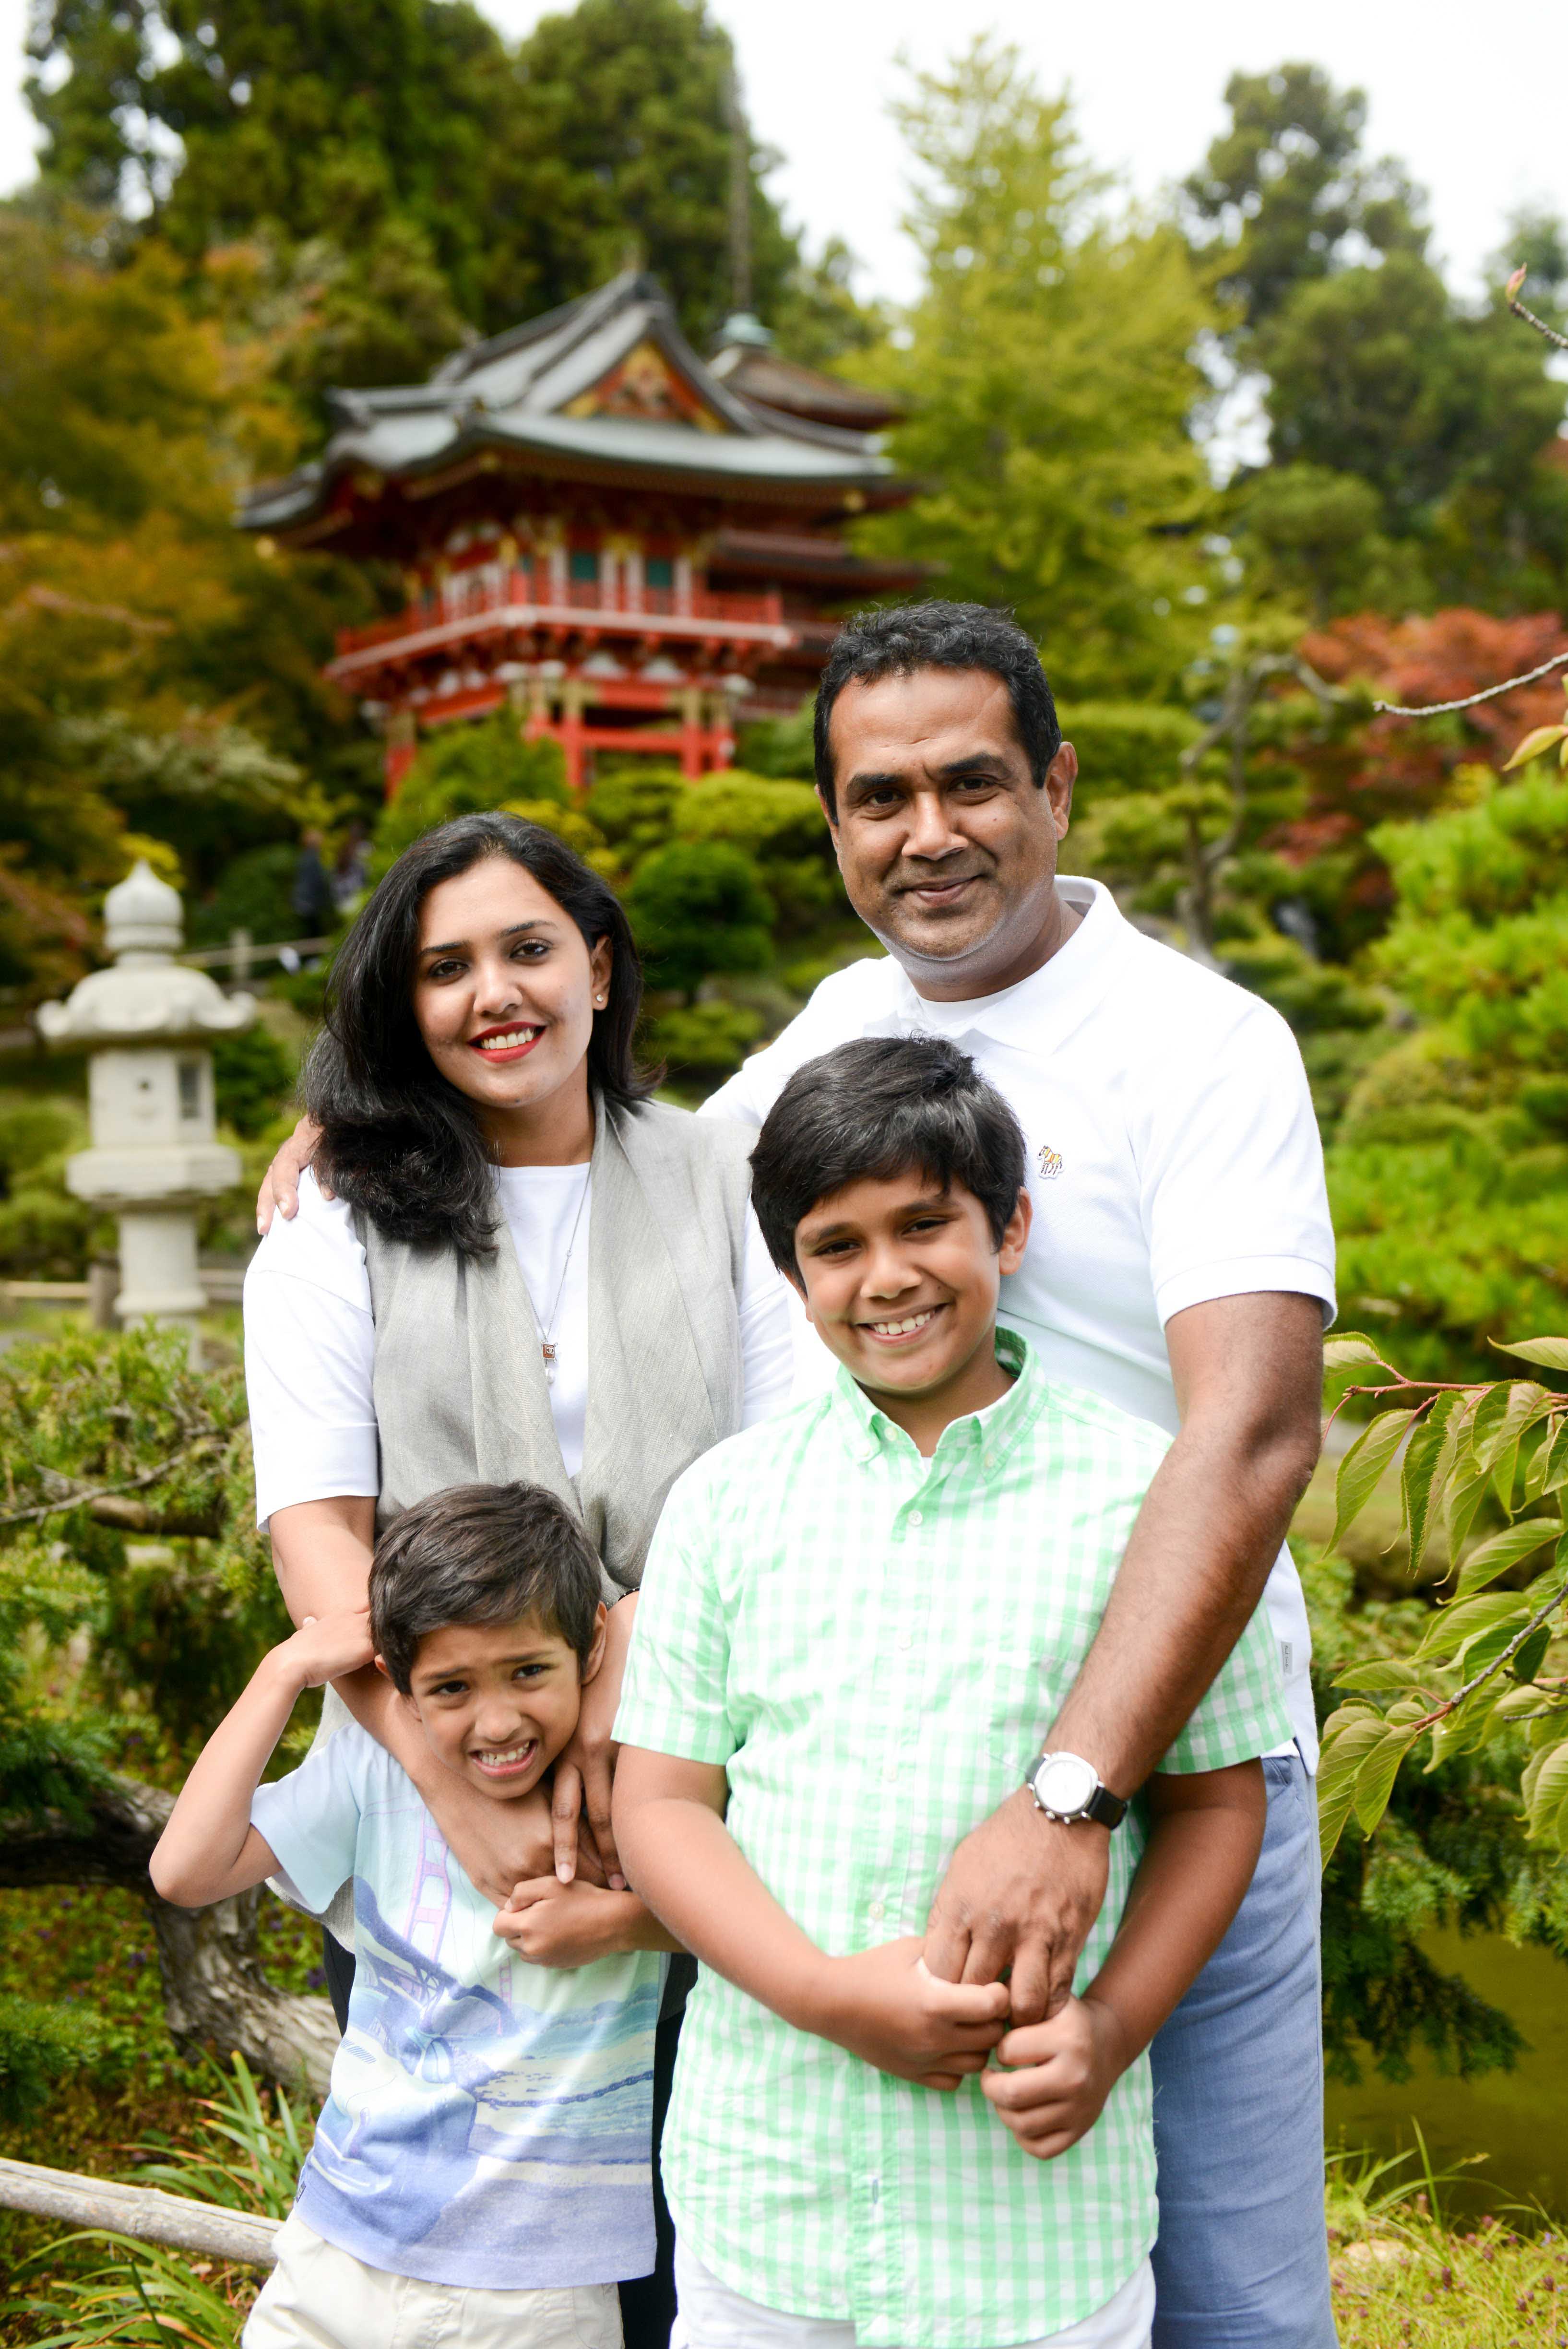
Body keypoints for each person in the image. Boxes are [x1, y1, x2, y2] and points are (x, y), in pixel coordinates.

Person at [257, 601, 1336, 2344]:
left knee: (1207, 2275)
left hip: (1162, 1739)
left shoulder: (1197, 1043)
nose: (926, 833)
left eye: (970, 781)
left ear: (1056, 786)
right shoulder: (835, 1023)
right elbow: (638, 1156)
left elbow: (1256, 1429)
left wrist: (1072, 1792)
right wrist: (381, 1108)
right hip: (862, 1755)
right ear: (831, 825)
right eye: (875, 797)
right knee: (848, 2222)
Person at [612, 1038, 1291, 2349]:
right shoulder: (725, 1503)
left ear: (1011, 1225)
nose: (887, 1278)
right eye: (836, 1245)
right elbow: (662, 1805)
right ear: (790, 1271)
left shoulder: (1147, 1502)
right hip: (767, 2200)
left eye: (926, 1224)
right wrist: (820, 1991)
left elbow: (1214, 1810)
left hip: (1030, 2232)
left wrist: (1108, 2028)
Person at [244, 810, 793, 2347]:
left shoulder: (721, 1178)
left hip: (693, 1767)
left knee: (700, 2235)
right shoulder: (335, 1215)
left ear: (601, 968)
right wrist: (452, 1781)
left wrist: (624, 1665)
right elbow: (316, 1529)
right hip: (433, 1800)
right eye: (445, 966)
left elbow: (776, 1476)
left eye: (529, 949)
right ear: (399, 1004)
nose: (495, 992)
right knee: (464, 2254)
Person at [151, 1481, 678, 2349]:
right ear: (398, 1682)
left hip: (539, 2287)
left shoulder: (632, 1788)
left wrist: (618, 1924)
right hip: (340, 2247)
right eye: (451, 1688)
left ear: (591, 1649)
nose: (497, 1720)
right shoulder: (373, 1773)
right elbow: (185, 1870)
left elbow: (765, 1912)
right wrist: (284, 1668)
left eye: (528, 1672)